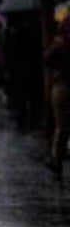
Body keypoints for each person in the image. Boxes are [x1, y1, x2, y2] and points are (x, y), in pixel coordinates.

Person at [42, 18, 70, 178]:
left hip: (62, 86)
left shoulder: (60, 44)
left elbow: (46, 58)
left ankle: (57, 159)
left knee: (62, 126)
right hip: (62, 86)